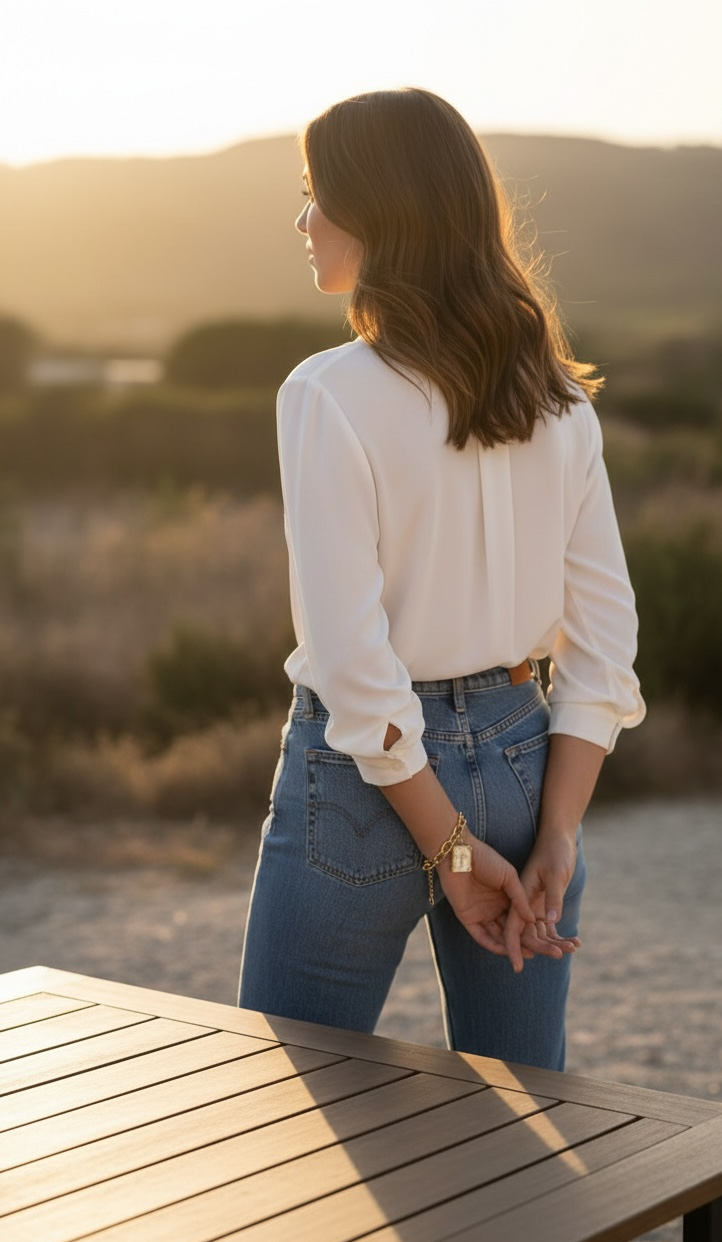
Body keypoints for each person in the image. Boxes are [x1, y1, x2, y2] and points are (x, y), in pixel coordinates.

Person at [238, 88, 645, 1071]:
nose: (302, 219)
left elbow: (354, 668)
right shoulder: (560, 402)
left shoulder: (327, 393)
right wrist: (556, 836)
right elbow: (604, 650)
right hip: (524, 766)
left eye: (316, 194)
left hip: (367, 789)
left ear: (380, 212)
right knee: (526, 1104)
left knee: (293, 1105)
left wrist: (453, 853)